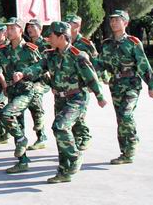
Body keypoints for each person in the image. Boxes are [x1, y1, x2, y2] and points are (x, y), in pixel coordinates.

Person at [16, 21, 107, 183]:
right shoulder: (50, 55)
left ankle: (75, 156)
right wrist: (23, 73)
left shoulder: (78, 55)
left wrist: (100, 96)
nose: (48, 38)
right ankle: (64, 171)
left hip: (77, 98)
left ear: (61, 37)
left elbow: (91, 77)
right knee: (59, 134)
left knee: (60, 126)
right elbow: (38, 67)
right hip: (60, 99)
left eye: (51, 35)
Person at [99, 10, 153, 165]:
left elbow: (143, 64)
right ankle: (125, 151)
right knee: (121, 119)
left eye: (117, 20)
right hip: (115, 85)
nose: (113, 23)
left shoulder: (133, 42)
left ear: (125, 23)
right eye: (112, 20)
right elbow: (100, 64)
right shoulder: (106, 44)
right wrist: (96, 79)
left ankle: (131, 147)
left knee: (126, 115)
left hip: (131, 84)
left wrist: (151, 85)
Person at [0, 17, 42, 174]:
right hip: (12, 92)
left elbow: (41, 68)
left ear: (21, 30)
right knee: (17, 125)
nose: (9, 31)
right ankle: (22, 161)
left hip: (27, 92)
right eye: (8, 28)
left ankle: (23, 140)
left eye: (13, 28)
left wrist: (26, 75)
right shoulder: (3, 51)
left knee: (6, 114)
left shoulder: (29, 49)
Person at [65, 14, 100, 151]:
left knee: (79, 114)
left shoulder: (85, 44)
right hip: (67, 84)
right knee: (69, 114)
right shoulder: (64, 41)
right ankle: (76, 139)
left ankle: (84, 137)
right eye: (67, 22)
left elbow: (95, 63)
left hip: (83, 84)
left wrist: (94, 82)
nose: (68, 25)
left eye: (71, 23)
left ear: (78, 26)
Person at [24, 19, 49, 150]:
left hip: (43, 80)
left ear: (40, 29)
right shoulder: (25, 44)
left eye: (33, 27)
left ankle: (41, 137)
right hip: (29, 79)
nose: (30, 29)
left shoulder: (47, 43)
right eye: (28, 27)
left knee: (35, 98)